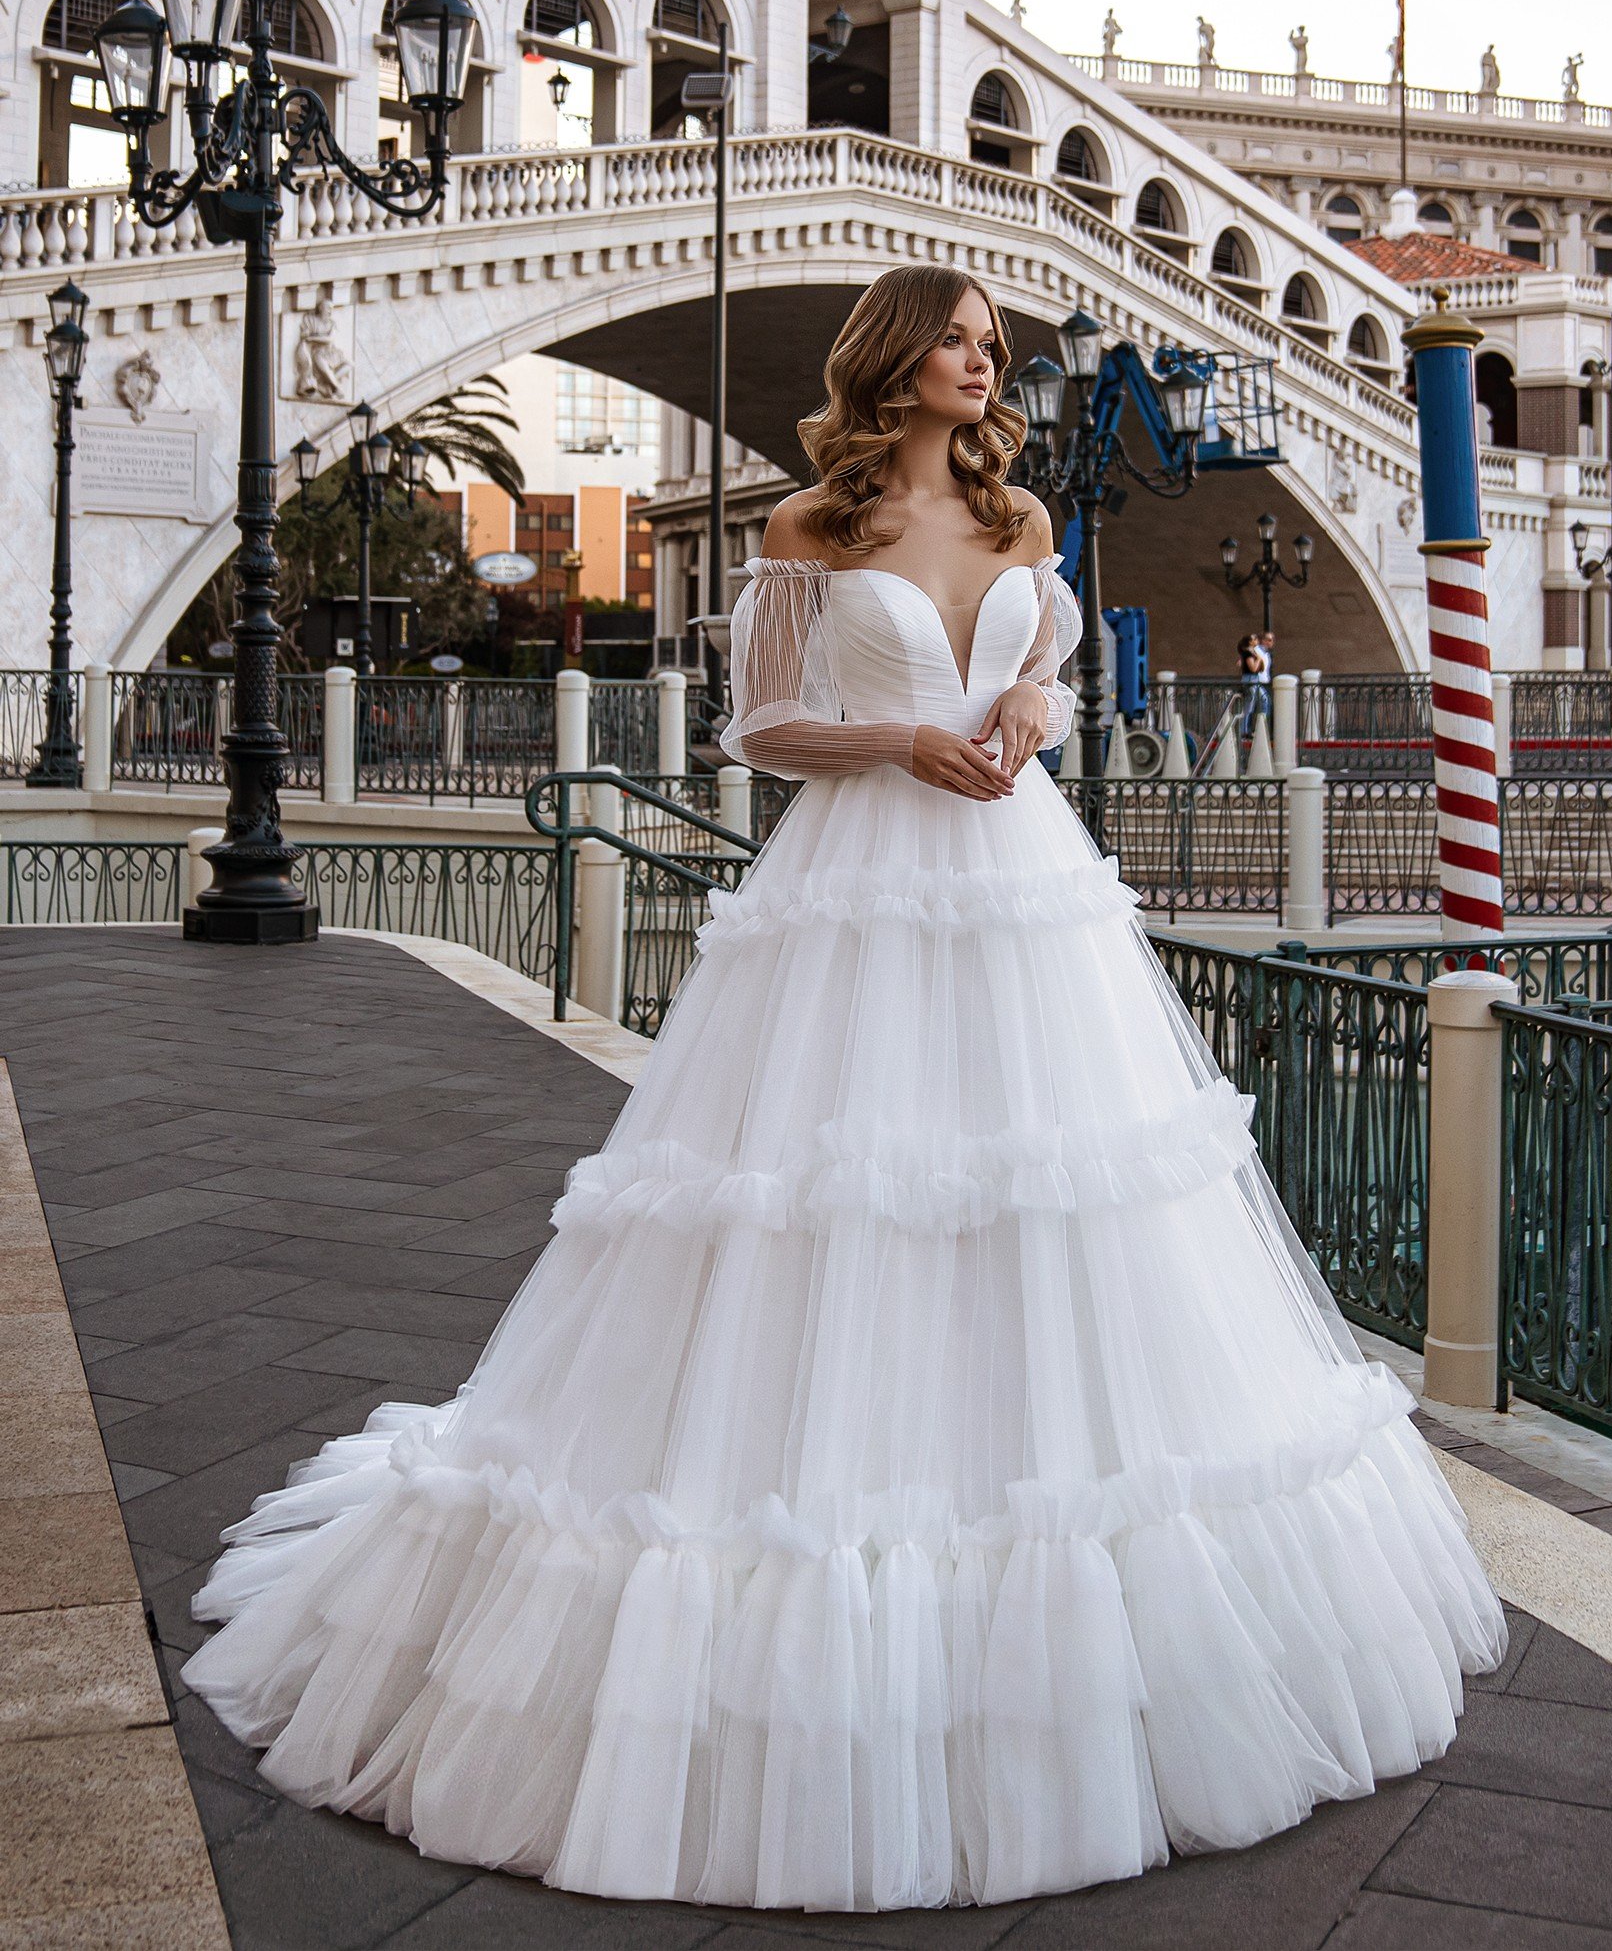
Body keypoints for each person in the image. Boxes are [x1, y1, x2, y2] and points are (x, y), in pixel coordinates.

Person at [181, 265, 1504, 1912]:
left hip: (1023, 884)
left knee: (1051, 1192)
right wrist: (902, 743)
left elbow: (1051, 672)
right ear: (897, 357)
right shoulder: (810, 529)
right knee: (835, 1189)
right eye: (958, 339)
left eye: (994, 346)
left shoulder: (1023, 519)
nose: (982, 361)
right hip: (862, 879)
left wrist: (1022, 712)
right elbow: (767, 726)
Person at [1238, 630, 1273, 744]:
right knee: (1250, 705)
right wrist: (1258, 659)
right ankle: (1245, 731)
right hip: (1251, 681)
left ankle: (1259, 729)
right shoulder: (1250, 652)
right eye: (1255, 639)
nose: (1257, 641)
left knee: (1263, 701)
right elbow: (1252, 667)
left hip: (1256, 681)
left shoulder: (1255, 652)